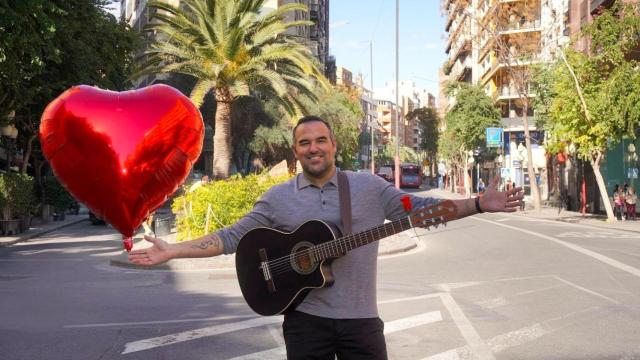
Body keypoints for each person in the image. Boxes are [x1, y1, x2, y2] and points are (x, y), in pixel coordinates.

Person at [128, 116, 524, 360]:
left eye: (320, 140)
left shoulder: (369, 188)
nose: (313, 148)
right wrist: (172, 250)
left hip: (360, 322)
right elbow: (232, 237)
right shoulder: (278, 197)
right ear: (296, 150)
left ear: (333, 146)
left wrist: (476, 202)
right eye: (304, 142)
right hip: (305, 322)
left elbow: (420, 211)